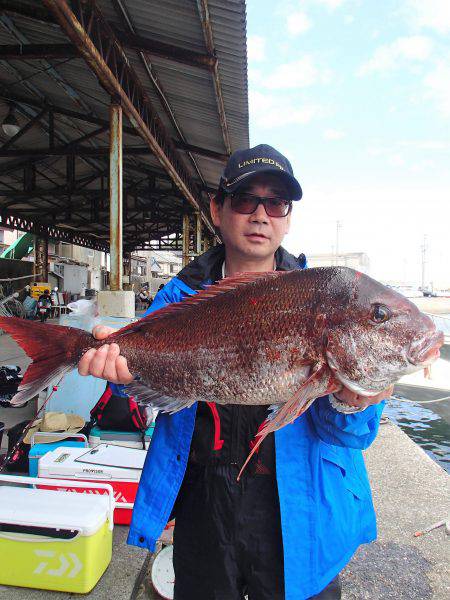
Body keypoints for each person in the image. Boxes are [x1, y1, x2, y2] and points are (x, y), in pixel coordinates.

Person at [78, 144, 391, 600]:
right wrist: (120, 374)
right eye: (246, 199)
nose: (261, 215)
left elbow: (350, 437)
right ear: (218, 209)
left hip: (300, 507)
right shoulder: (178, 299)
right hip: (206, 503)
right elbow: (150, 401)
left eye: (276, 203)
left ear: (288, 217)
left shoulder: (323, 298)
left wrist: (351, 402)